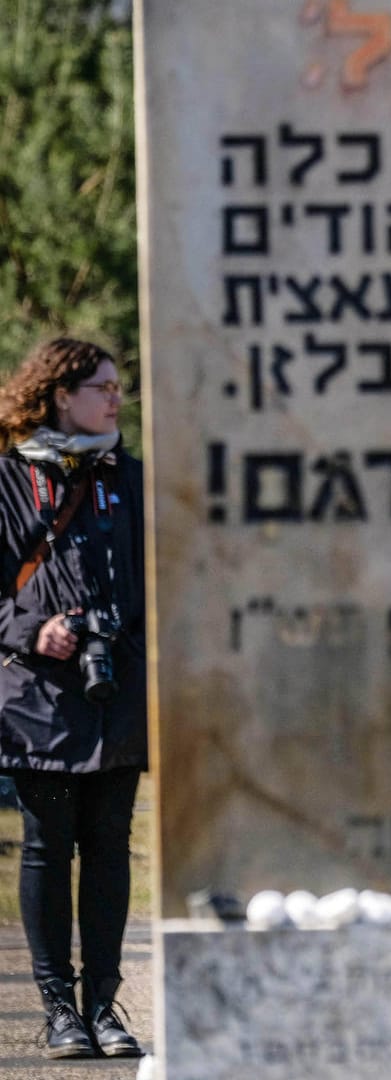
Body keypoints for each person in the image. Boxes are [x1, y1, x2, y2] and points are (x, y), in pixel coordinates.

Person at [0, 338, 146, 1058]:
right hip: (37, 697)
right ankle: (60, 1010)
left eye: (119, 387)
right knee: (46, 850)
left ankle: (106, 1007)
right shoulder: (7, 481)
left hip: (116, 695)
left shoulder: (135, 480)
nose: (117, 398)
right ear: (60, 393)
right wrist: (35, 630)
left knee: (110, 850)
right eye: (102, 387)